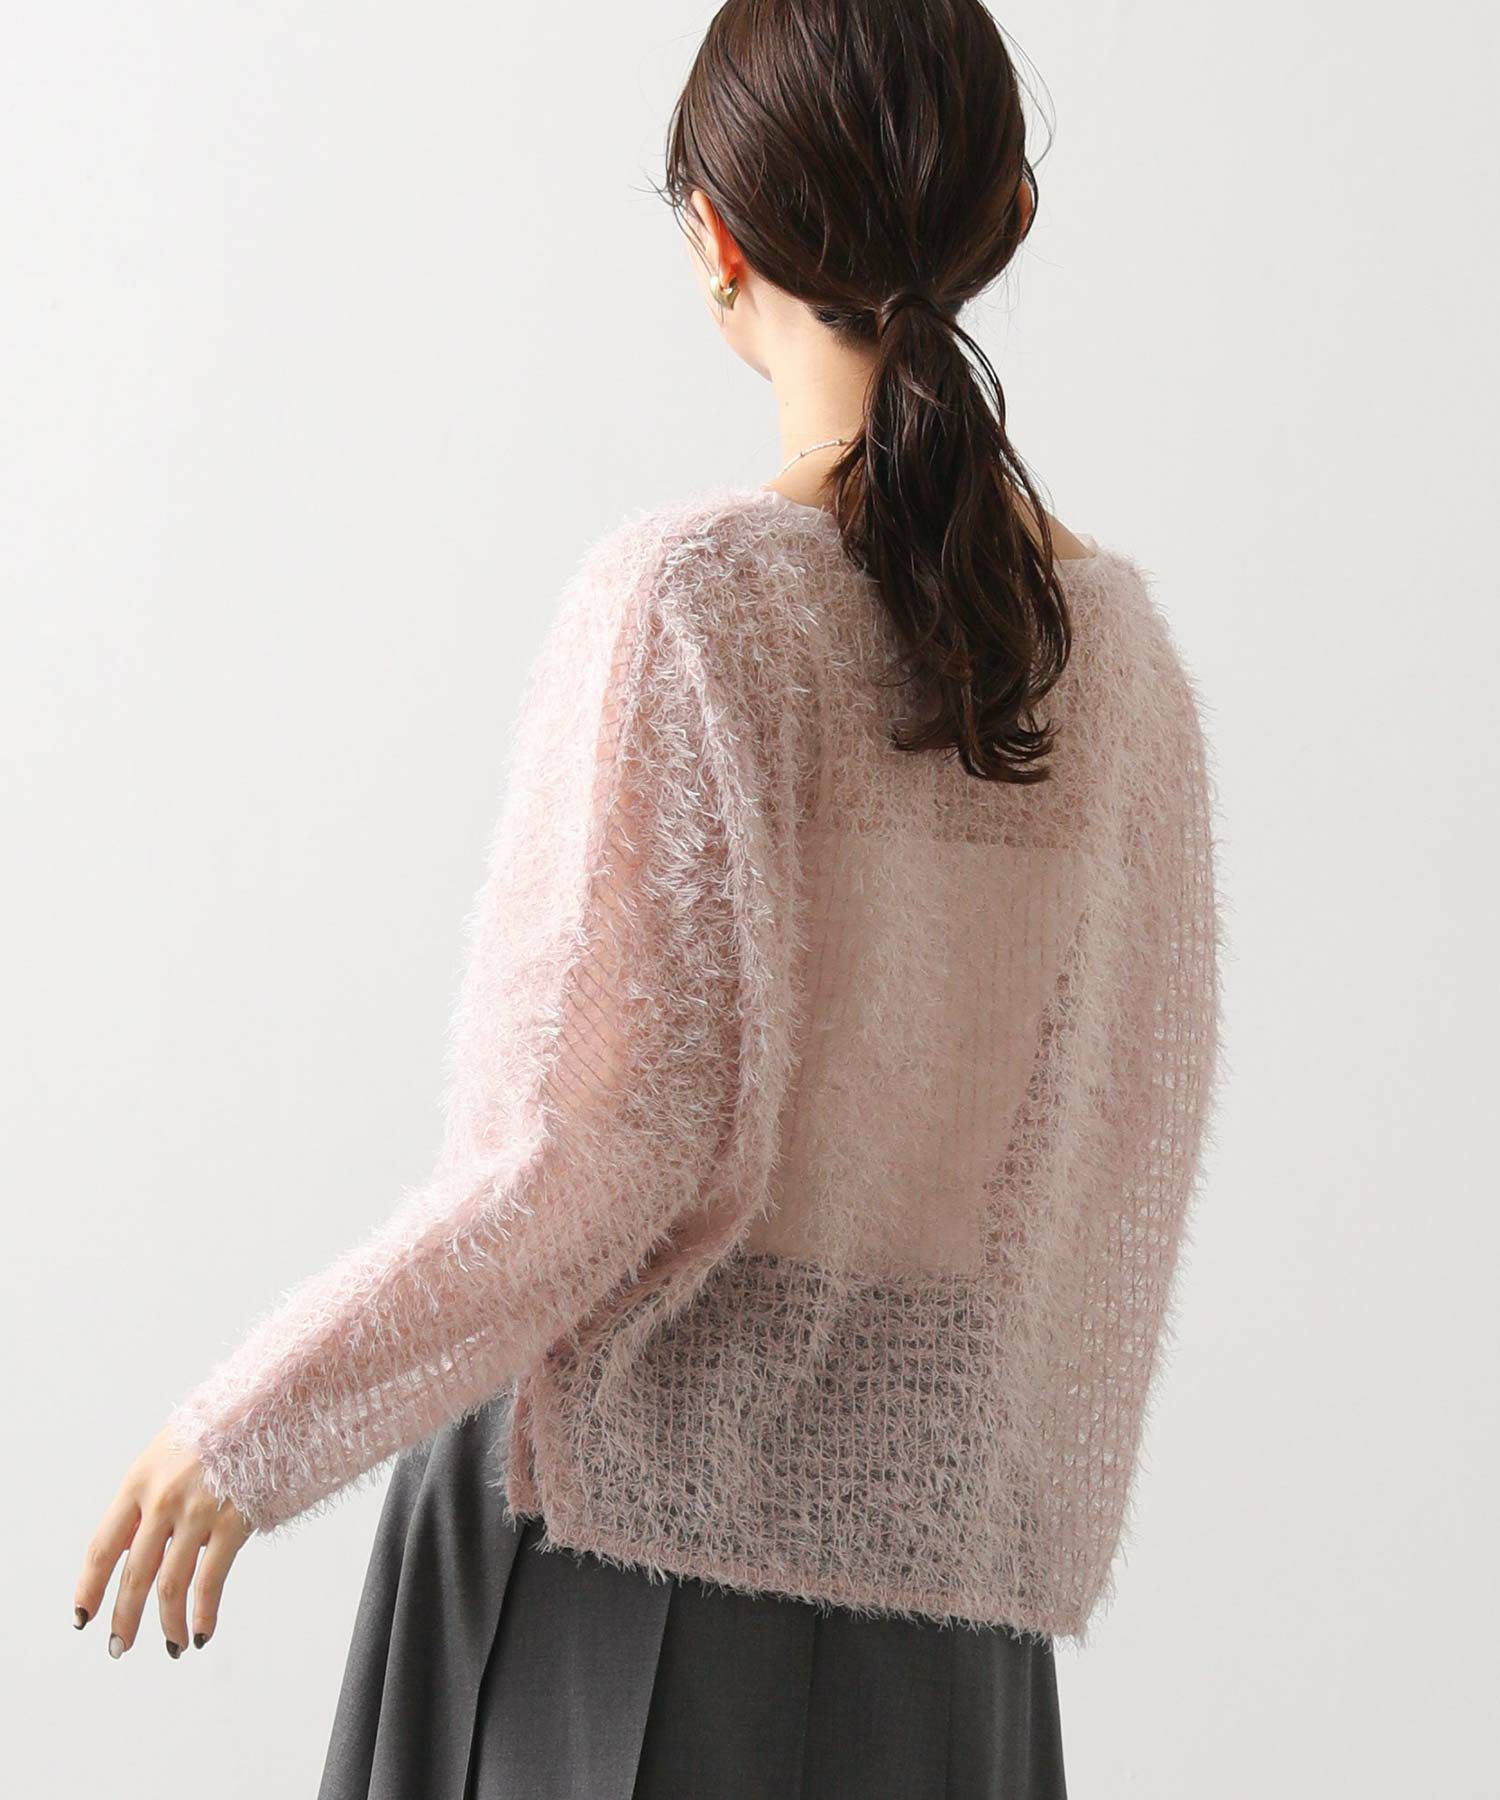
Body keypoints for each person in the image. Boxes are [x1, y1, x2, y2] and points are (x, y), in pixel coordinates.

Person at [71, 2, 1224, 1793]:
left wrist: (252, 1430)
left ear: (717, 239)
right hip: (945, 1583)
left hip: (625, 1533)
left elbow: (599, 1153)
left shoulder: (696, 602)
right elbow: (1105, 1140)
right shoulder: (1121, 660)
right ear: (1009, 214)